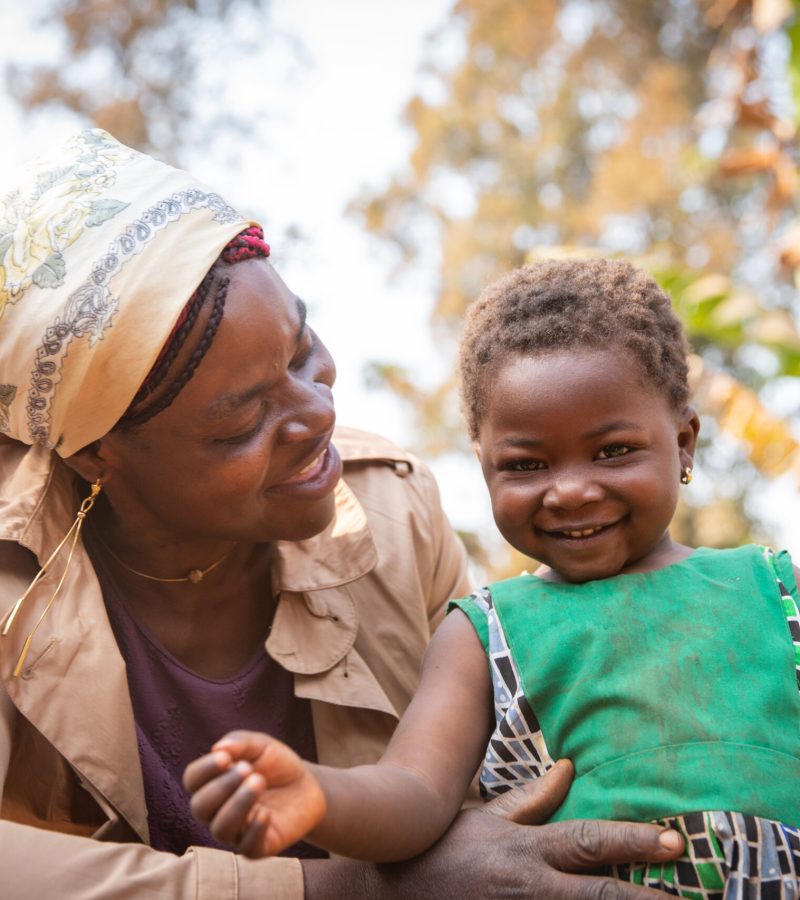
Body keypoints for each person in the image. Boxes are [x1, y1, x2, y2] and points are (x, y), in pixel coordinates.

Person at [0, 131, 687, 898]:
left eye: (301, 353)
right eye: (241, 423)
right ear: (97, 454)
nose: (318, 413)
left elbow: (478, 808)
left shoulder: (393, 513)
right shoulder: (12, 576)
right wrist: (360, 889)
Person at [185, 258, 800, 898]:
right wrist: (317, 794)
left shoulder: (773, 590)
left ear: (685, 443)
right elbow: (415, 795)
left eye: (613, 451)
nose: (570, 491)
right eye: (527, 464)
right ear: (485, 469)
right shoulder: (482, 634)